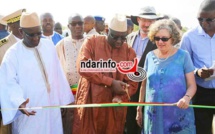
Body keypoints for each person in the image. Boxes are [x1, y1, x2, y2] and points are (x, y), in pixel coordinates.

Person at [0, 12, 73, 134]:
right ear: (21, 32)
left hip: (52, 105)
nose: (36, 38)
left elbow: (58, 74)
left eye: (39, 34)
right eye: (31, 35)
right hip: (30, 110)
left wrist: (64, 100)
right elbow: (7, 83)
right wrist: (19, 102)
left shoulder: (49, 45)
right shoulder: (13, 54)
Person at [72, 14, 138, 134]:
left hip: (113, 108)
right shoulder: (92, 42)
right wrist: (111, 82)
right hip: (90, 102)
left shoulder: (129, 52)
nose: (119, 41)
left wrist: (121, 97)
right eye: (115, 37)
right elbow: (83, 67)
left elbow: (133, 83)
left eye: (123, 38)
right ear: (107, 31)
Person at [136, 19, 196, 133]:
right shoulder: (149, 56)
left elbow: (192, 85)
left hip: (177, 114)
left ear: (173, 38)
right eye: (157, 38)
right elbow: (144, 85)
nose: (160, 42)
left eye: (164, 39)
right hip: (153, 115)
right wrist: (139, 108)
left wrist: (186, 98)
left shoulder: (183, 56)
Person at [180, 0, 215, 133]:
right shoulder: (189, 37)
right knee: (202, 130)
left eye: (209, 19)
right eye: (200, 19)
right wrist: (196, 72)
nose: (204, 23)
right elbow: (183, 66)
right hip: (200, 92)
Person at [125, 6, 159, 134]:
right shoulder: (129, 38)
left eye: (150, 21)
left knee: (146, 125)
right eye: (144, 20)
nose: (147, 24)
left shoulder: (158, 41)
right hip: (128, 89)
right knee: (130, 124)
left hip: (149, 90)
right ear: (138, 20)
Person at [56, 13, 84, 134]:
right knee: (69, 128)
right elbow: (56, 75)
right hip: (68, 98)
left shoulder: (92, 42)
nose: (78, 26)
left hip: (88, 97)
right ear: (68, 26)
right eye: (74, 24)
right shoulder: (60, 45)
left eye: (80, 23)